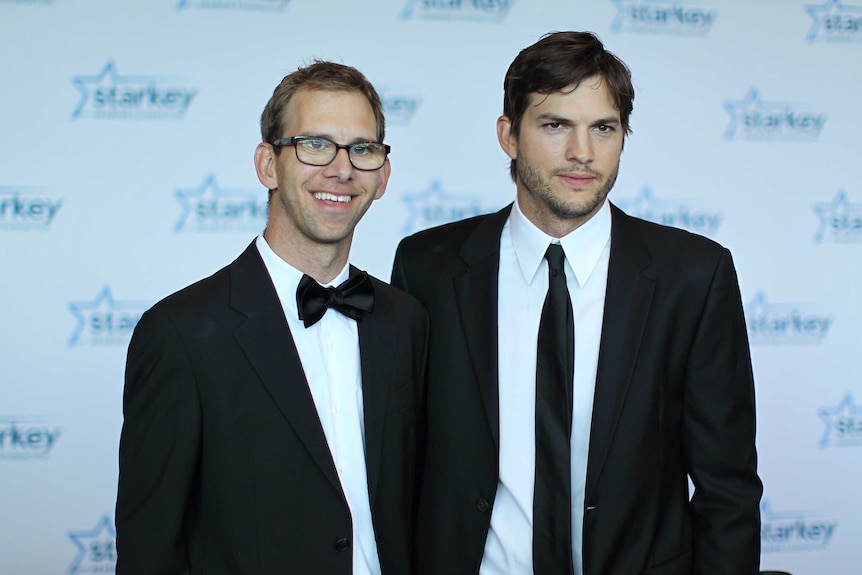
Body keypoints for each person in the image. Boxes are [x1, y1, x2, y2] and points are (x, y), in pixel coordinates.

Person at [391, 31, 762, 575]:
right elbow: (401, 460)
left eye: (603, 128)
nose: (581, 153)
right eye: (555, 125)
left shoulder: (694, 275)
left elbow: (726, 487)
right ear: (508, 135)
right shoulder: (428, 266)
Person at [116, 61, 428, 575]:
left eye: (362, 149)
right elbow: (150, 546)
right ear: (268, 165)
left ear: (383, 174)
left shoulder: (407, 321)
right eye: (315, 144)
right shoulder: (180, 334)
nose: (342, 169)